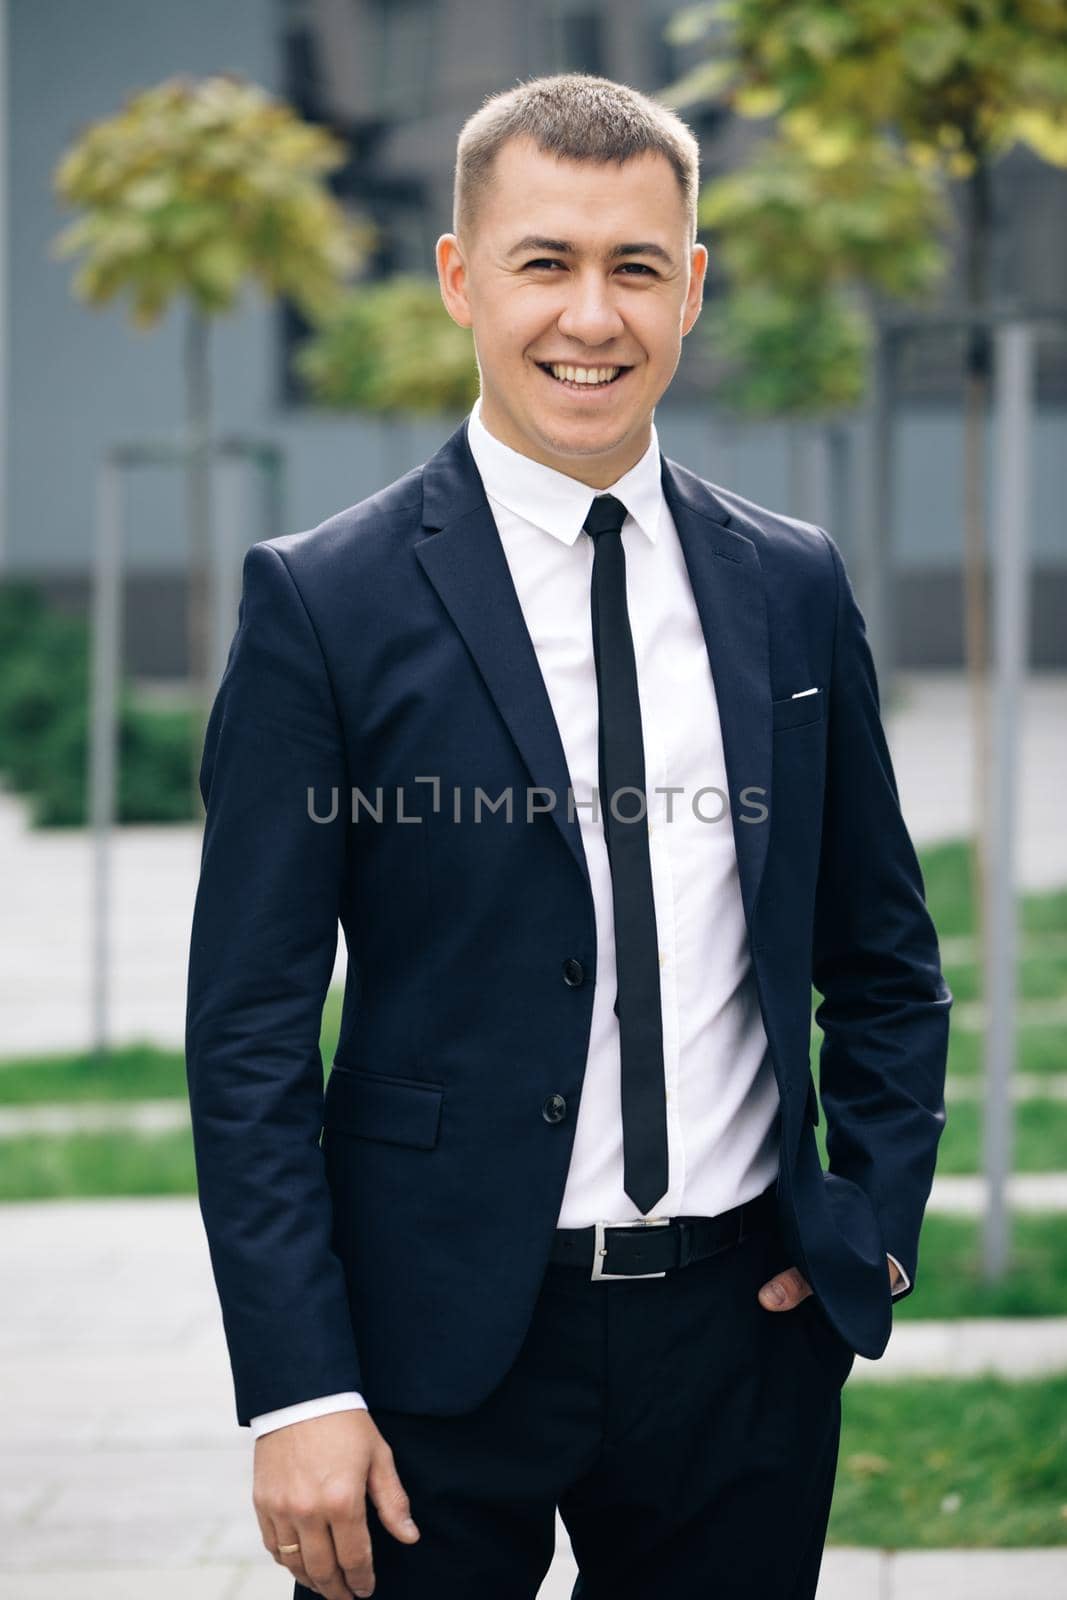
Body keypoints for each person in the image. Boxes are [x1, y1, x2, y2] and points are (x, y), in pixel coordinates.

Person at [185, 72, 951, 1600]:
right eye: (545, 263)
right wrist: (297, 1388)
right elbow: (251, 1034)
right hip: (427, 1351)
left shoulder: (792, 585)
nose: (590, 317)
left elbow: (882, 955)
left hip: (745, 1335)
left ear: (692, 288)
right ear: (463, 277)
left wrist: (868, 1217)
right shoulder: (323, 605)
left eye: (635, 268)